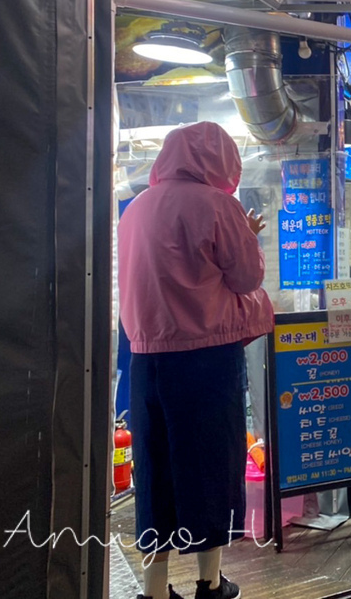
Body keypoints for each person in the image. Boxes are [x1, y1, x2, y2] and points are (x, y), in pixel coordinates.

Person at [119, 122, 274, 599]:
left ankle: (155, 588)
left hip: (146, 361)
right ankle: (209, 582)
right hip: (205, 361)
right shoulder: (217, 205)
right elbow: (246, 278)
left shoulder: (135, 210)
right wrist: (246, 235)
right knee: (210, 467)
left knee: (155, 469)